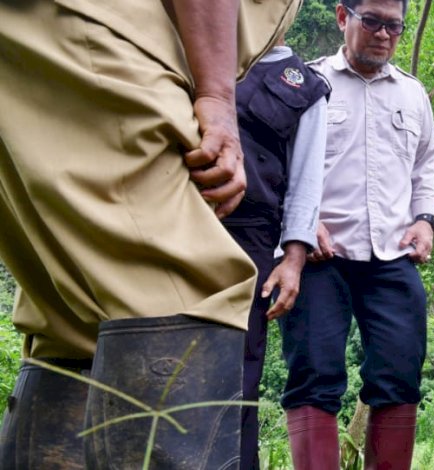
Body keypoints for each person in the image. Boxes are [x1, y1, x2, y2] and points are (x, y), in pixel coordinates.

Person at [0, 0, 298, 468]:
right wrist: (218, 98)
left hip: (35, 39)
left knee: (78, 319)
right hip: (93, 33)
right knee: (180, 293)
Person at [275, 0, 434, 468]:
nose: (384, 35)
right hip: (317, 257)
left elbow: (426, 165)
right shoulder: (309, 85)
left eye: (394, 26)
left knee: (399, 374)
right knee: (314, 374)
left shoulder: (413, 95)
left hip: (392, 256)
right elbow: (278, 166)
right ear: (343, 17)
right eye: (372, 22)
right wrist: (305, 222)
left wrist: (426, 220)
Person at [223, 36, 329, 470]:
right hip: (173, 218)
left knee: (238, 371)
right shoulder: (190, 46)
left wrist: (294, 258)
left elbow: (306, 181)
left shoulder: (305, 85)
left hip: (251, 239)